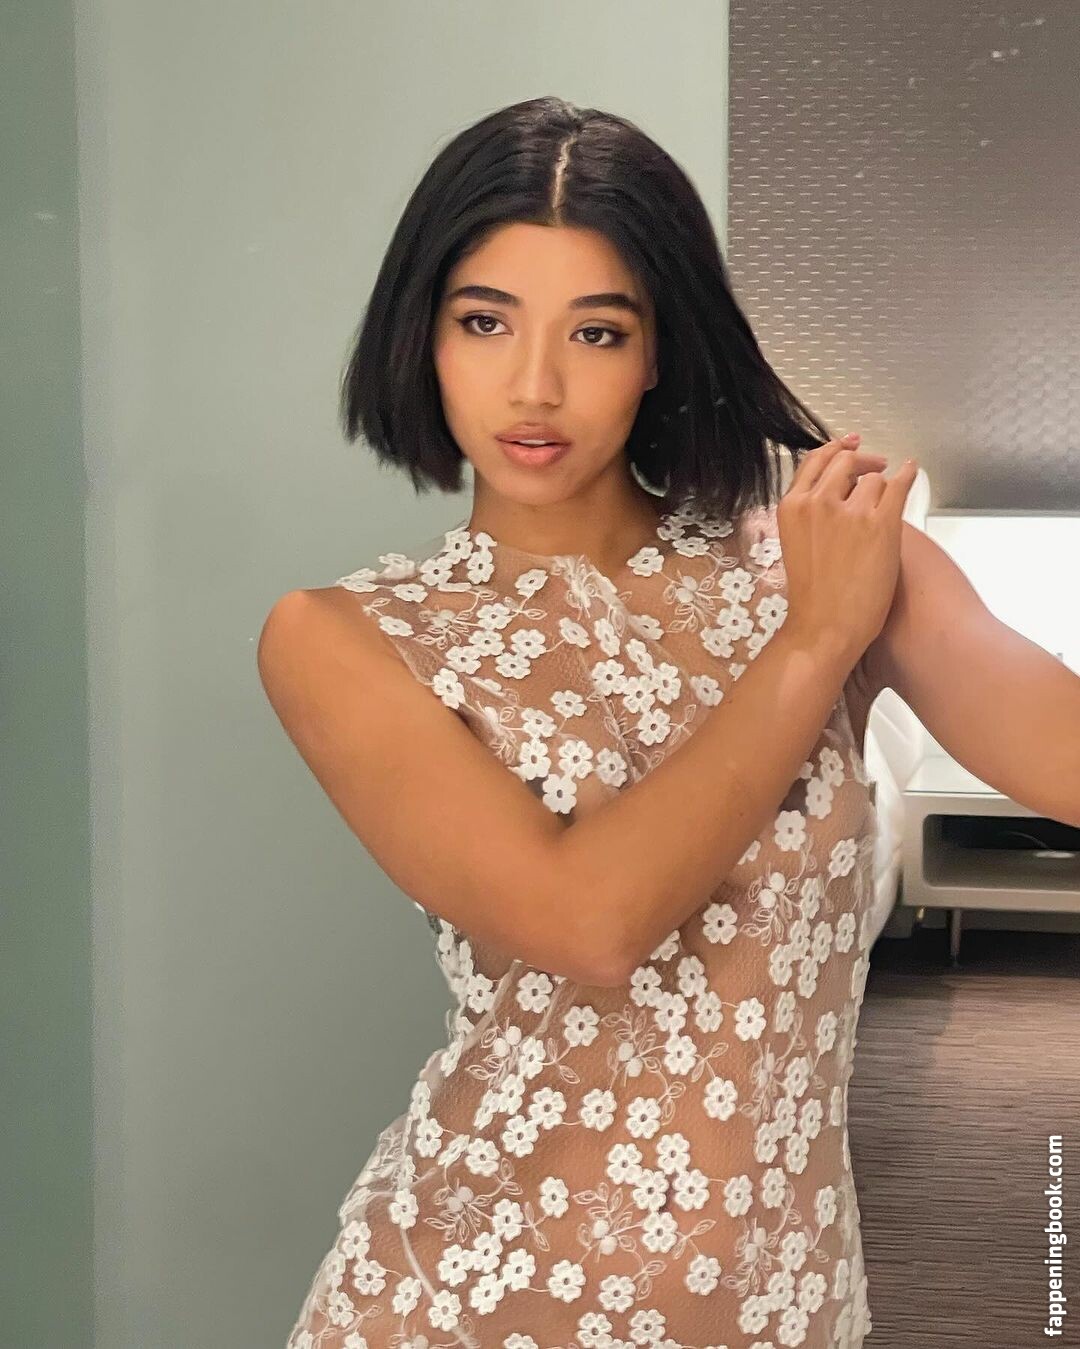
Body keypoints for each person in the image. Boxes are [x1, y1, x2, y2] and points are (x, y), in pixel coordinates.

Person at [258, 95, 918, 1349]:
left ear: (660, 349)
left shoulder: (812, 562)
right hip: (464, 1307)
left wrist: (827, 608)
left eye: (598, 331)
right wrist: (814, 644)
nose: (535, 384)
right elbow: (588, 922)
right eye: (484, 321)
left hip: (784, 1305)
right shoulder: (344, 637)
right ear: (423, 335)